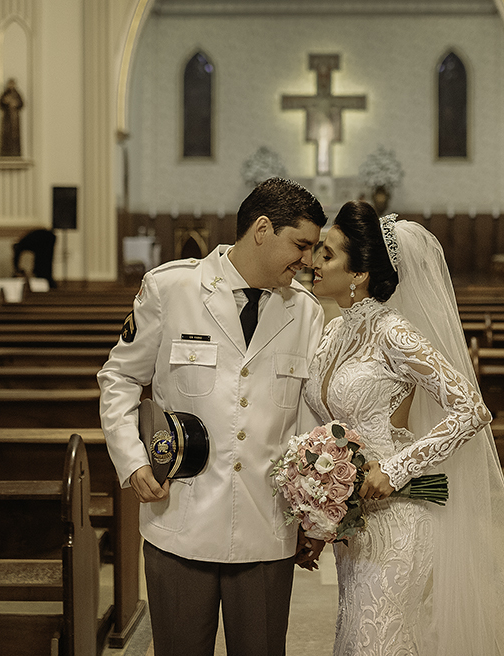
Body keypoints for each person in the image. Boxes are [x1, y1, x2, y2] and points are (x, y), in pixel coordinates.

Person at [304, 200, 504, 655]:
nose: (314, 262)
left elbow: (471, 410)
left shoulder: (393, 332)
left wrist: (396, 468)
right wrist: (317, 505)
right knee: (355, 638)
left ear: (359, 272)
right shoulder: (332, 334)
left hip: (396, 518)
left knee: (376, 644)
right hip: (353, 523)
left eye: (327, 254)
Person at [97, 177, 328, 656]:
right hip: (180, 521)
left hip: (267, 528)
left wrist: (312, 514)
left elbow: (307, 421)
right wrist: (132, 461)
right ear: (262, 230)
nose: (308, 260)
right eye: (301, 245)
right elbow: (119, 377)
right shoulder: (172, 288)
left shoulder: (306, 313)